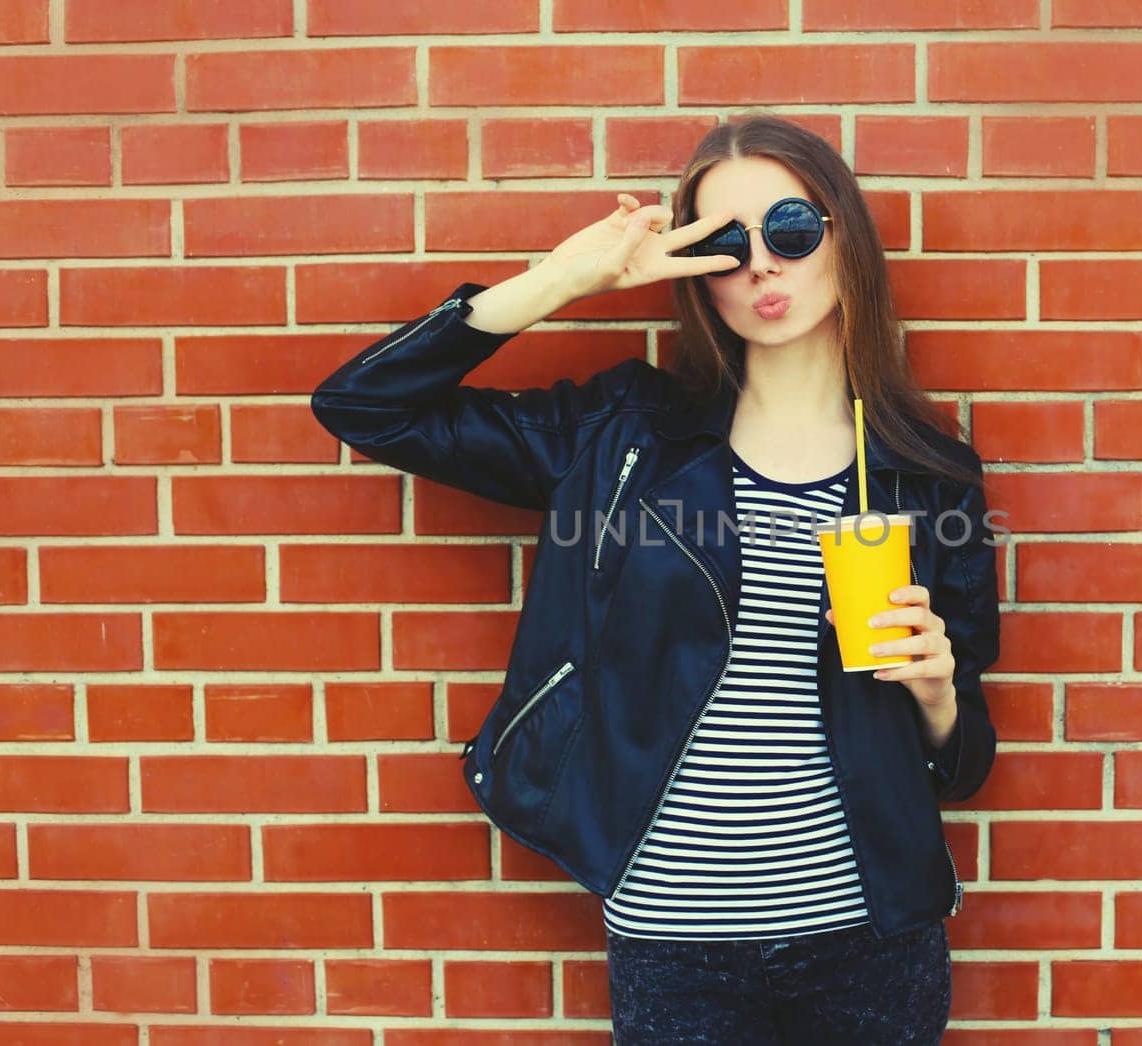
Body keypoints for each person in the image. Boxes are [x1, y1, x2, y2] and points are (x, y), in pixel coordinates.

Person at [310, 113, 1002, 1045]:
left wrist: (937, 696)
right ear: (698, 274)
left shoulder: (927, 471)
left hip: (871, 934)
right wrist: (563, 279)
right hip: (677, 937)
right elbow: (363, 406)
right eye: (725, 245)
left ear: (844, 236)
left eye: (791, 231)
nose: (763, 266)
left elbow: (962, 764)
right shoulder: (624, 436)